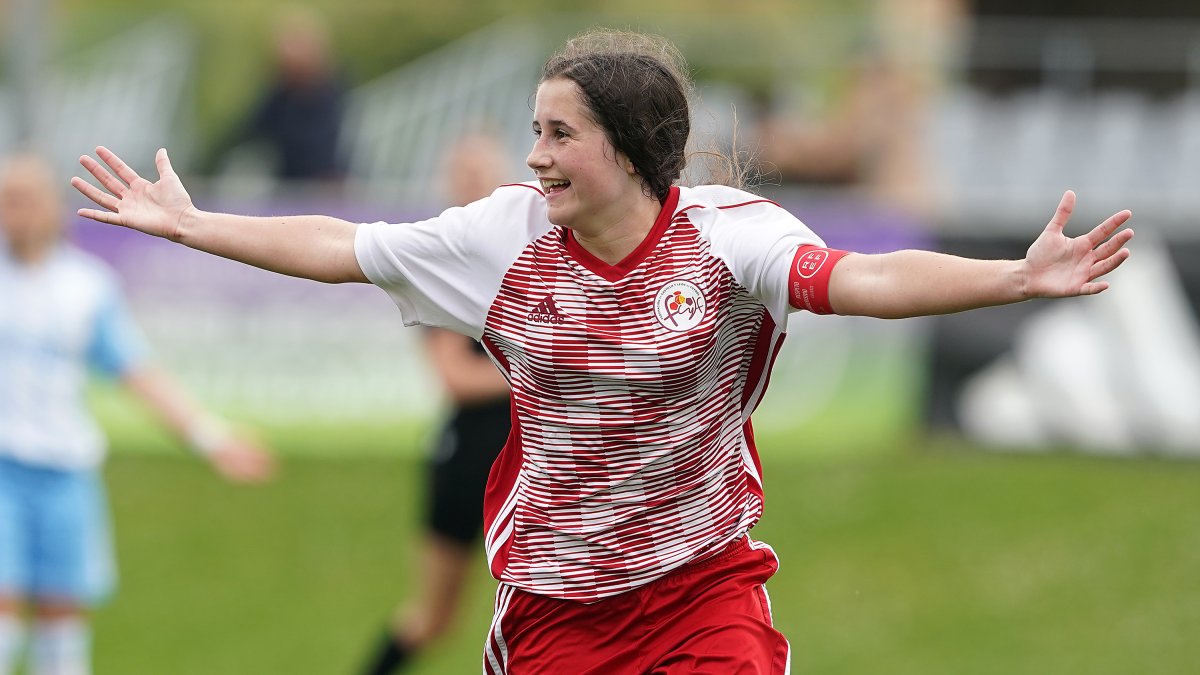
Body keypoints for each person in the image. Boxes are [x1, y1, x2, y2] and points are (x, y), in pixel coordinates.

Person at [71, 28, 1133, 674]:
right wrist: (193, 222)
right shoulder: (504, 238)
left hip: (703, 586)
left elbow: (862, 277)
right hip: (556, 610)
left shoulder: (728, 239)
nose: (536, 156)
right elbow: (347, 248)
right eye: (533, 131)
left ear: (627, 146)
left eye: (559, 134)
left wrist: (1010, 275)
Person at [0, 154, 275, 675]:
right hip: (2, 472)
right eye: (5, 201)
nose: (12, 213)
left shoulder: (85, 287)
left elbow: (137, 372)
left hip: (64, 475)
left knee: (62, 624)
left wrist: (209, 437)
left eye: (24, 200)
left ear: (51, 206)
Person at [357, 134, 514, 674]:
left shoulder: (527, 254)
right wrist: (548, 365)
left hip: (532, 448)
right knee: (433, 617)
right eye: (463, 175)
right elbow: (456, 378)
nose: (473, 186)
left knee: (550, 604)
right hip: (470, 452)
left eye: (483, 174)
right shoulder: (441, 262)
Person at [206, 6, 347, 187]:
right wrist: (207, 164)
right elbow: (246, 129)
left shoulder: (331, 92)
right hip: (286, 185)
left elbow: (320, 150)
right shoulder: (280, 93)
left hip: (321, 185)